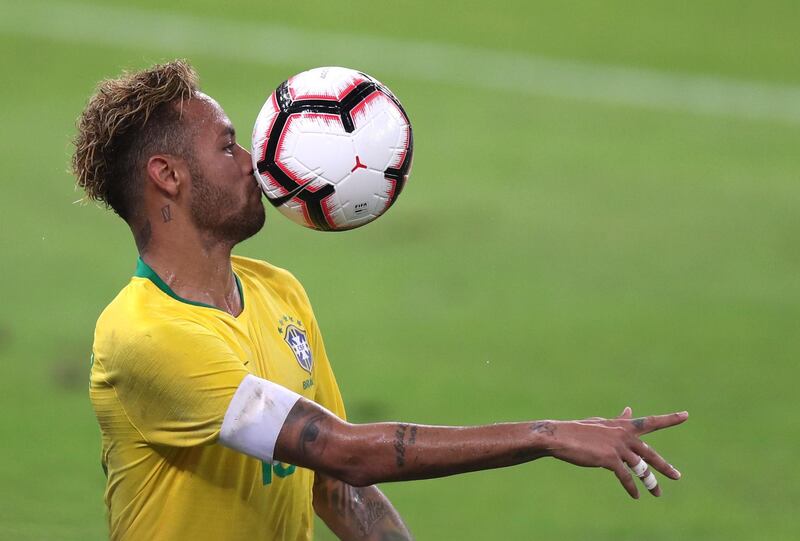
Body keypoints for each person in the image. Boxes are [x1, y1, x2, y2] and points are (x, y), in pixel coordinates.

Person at [73, 60, 688, 541]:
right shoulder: (145, 336)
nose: (252, 162)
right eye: (229, 146)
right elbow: (344, 450)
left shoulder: (276, 291)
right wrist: (546, 435)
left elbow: (336, 485)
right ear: (168, 176)